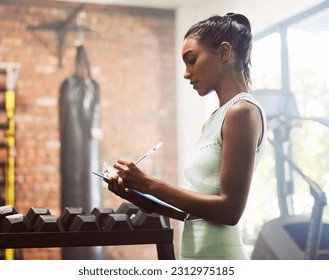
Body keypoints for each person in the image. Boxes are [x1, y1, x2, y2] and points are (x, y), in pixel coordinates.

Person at [107, 13, 267, 260]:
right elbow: (190, 211)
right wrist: (136, 192)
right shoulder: (213, 120)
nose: (186, 73)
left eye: (191, 60)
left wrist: (151, 183)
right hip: (195, 255)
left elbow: (230, 210)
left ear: (224, 53)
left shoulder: (242, 112)